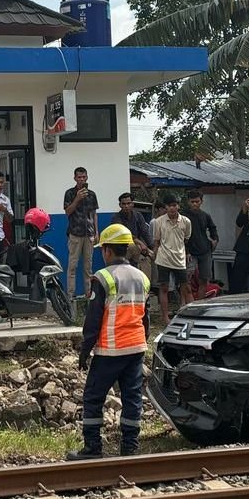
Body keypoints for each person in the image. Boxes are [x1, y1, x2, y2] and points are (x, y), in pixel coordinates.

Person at [66, 224, 150, 461]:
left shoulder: (102, 278)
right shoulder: (141, 277)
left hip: (111, 349)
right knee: (132, 398)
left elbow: (93, 319)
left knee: (94, 397)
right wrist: (144, 339)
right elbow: (146, 315)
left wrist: (85, 350)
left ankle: (93, 447)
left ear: (107, 251)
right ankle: (130, 448)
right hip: (136, 348)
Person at [150, 194, 192, 324]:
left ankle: (192, 315)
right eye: (169, 206)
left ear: (178, 206)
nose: (172, 208)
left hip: (179, 259)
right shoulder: (159, 222)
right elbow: (156, 241)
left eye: (174, 205)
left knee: (186, 288)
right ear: (165, 207)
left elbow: (186, 239)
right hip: (163, 259)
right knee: (164, 288)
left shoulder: (186, 221)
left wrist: (185, 253)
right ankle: (165, 317)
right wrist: (155, 254)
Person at [62, 166, 100, 299]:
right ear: (74, 178)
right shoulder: (70, 193)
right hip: (75, 233)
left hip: (89, 234)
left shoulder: (92, 194)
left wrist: (97, 232)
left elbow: (94, 214)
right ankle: (70, 296)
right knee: (72, 266)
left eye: (84, 177)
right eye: (79, 177)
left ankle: (88, 295)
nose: (82, 180)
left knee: (88, 268)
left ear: (87, 178)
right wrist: (77, 199)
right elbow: (67, 212)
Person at [183, 191, 219, 300]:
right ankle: (187, 303)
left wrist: (215, 240)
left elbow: (213, 228)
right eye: (192, 202)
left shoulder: (205, 215)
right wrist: (186, 251)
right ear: (188, 202)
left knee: (204, 279)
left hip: (205, 250)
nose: (194, 204)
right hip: (190, 252)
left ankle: (200, 303)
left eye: (197, 201)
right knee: (186, 279)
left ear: (201, 202)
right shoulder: (183, 216)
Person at [112, 192, 154, 279]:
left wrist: (152, 248)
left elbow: (145, 232)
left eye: (128, 203)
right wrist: (141, 244)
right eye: (124, 204)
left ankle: (146, 288)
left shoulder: (138, 215)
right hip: (121, 250)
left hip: (138, 248)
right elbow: (125, 235)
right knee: (133, 247)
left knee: (147, 259)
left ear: (132, 204)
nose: (126, 206)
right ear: (120, 205)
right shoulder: (116, 218)